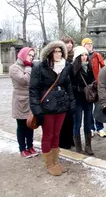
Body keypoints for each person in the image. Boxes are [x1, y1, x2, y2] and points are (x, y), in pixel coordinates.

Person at [29, 41, 76, 176]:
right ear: (49, 53)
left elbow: (68, 86)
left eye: (60, 51)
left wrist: (71, 102)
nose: (58, 54)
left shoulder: (64, 67)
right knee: (48, 135)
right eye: (55, 51)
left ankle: (55, 161)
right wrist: (37, 110)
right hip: (47, 107)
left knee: (57, 134)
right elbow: (33, 90)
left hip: (61, 106)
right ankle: (49, 164)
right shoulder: (39, 68)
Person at [9, 47, 39, 158]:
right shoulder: (14, 68)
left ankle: (30, 146)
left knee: (30, 124)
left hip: (30, 100)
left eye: (32, 55)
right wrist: (28, 67)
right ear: (23, 55)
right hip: (20, 101)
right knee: (21, 126)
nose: (31, 57)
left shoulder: (31, 67)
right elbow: (24, 80)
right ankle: (22, 148)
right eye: (29, 55)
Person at [71, 46, 95, 155]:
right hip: (78, 99)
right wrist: (81, 89)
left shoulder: (89, 67)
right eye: (82, 55)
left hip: (88, 99)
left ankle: (88, 145)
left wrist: (93, 86)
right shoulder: (72, 68)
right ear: (77, 57)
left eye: (86, 55)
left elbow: (92, 80)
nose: (84, 57)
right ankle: (78, 147)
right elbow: (70, 85)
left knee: (88, 122)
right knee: (77, 123)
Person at [82, 38, 106, 138]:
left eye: (91, 44)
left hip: (97, 85)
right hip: (87, 86)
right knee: (88, 109)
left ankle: (100, 127)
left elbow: (103, 67)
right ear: (83, 45)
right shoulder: (81, 56)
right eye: (87, 44)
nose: (90, 45)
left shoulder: (97, 55)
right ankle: (91, 128)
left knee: (98, 108)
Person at [59, 35, 75, 149]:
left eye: (71, 43)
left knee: (71, 118)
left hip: (72, 90)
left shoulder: (75, 56)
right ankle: (63, 141)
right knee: (63, 118)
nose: (69, 44)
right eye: (67, 42)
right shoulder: (60, 58)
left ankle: (70, 139)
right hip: (62, 90)